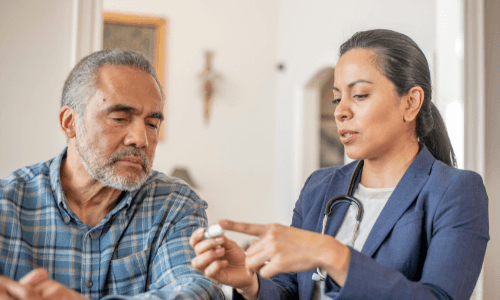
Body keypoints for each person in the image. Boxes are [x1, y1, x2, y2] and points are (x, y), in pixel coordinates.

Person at [190, 29, 489, 300]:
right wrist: (250, 283)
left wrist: (332, 254)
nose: (341, 112)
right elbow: (289, 291)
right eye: (336, 99)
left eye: (359, 95)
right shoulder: (319, 187)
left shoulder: (457, 190)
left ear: (410, 102)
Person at [0, 49, 224, 299]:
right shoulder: (6, 204)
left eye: (152, 124)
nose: (141, 139)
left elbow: (195, 291)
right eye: (119, 118)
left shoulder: (175, 204)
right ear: (70, 122)